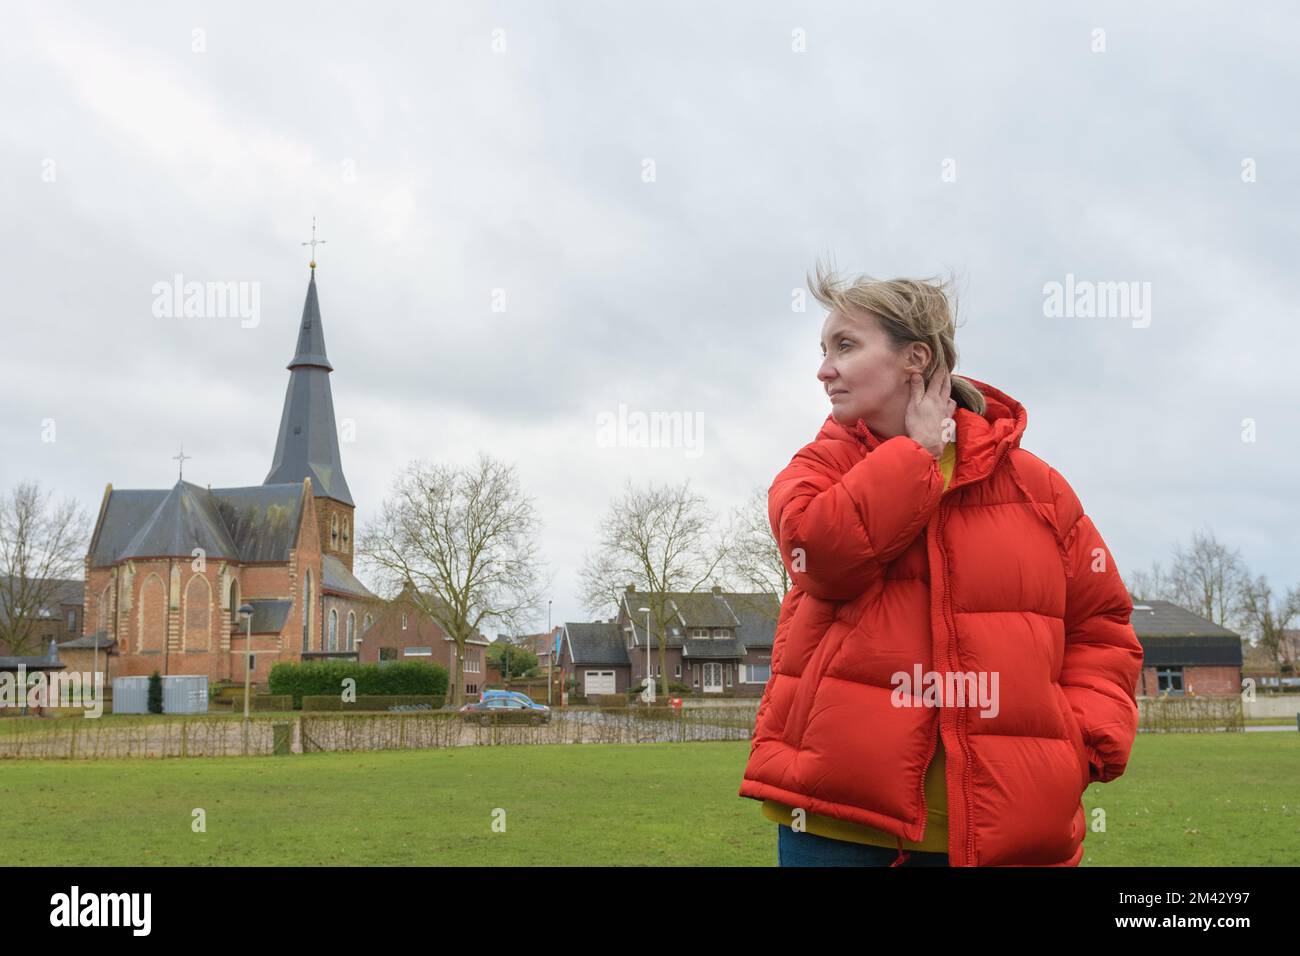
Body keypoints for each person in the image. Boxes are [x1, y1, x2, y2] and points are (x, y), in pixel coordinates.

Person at [738, 264, 1144, 867]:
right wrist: (915, 455)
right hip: (837, 828)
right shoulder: (817, 469)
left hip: (1001, 831)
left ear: (915, 358)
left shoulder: (1039, 490)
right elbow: (821, 557)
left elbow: (1102, 627)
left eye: (845, 346)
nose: (824, 369)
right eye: (822, 350)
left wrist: (1080, 744)